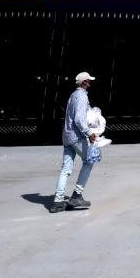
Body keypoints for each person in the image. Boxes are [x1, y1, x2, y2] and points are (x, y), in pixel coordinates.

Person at [51, 71, 100, 213]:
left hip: (67, 136)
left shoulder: (73, 95)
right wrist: (89, 133)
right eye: (88, 81)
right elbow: (79, 118)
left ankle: (58, 202)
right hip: (76, 136)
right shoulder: (82, 96)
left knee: (65, 169)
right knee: (90, 160)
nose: (90, 83)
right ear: (84, 82)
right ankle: (77, 195)